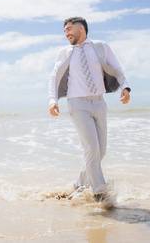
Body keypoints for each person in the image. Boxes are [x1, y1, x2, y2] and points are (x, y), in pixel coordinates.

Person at [47, 17, 131, 202]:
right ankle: (100, 192)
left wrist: (125, 87)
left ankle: (78, 185)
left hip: (99, 103)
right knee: (91, 148)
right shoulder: (65, 52)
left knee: (101, 151)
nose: (66, 33)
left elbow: (117, 68)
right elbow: (54, 76)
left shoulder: (100, 47)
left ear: (81, 28)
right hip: (77, 104)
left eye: (69, 29)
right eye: (64, 31)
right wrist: (53, 100)